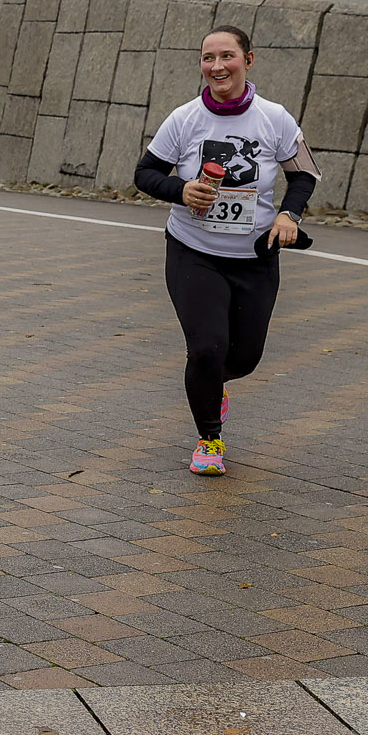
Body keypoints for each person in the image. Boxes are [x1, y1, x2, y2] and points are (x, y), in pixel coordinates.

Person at [133, 25, 318, 477]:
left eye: (227, 56)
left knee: (245, 357)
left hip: (255, 255)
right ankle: (209, 439)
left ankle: (216, 383)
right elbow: (145, 173)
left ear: (248, 60)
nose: (217, 66)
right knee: (206, 348)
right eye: (208, 58)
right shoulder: (185, 119)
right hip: (193, 250)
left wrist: (288, 216)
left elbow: (304, 175)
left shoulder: (274, 118)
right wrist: (182, 189)